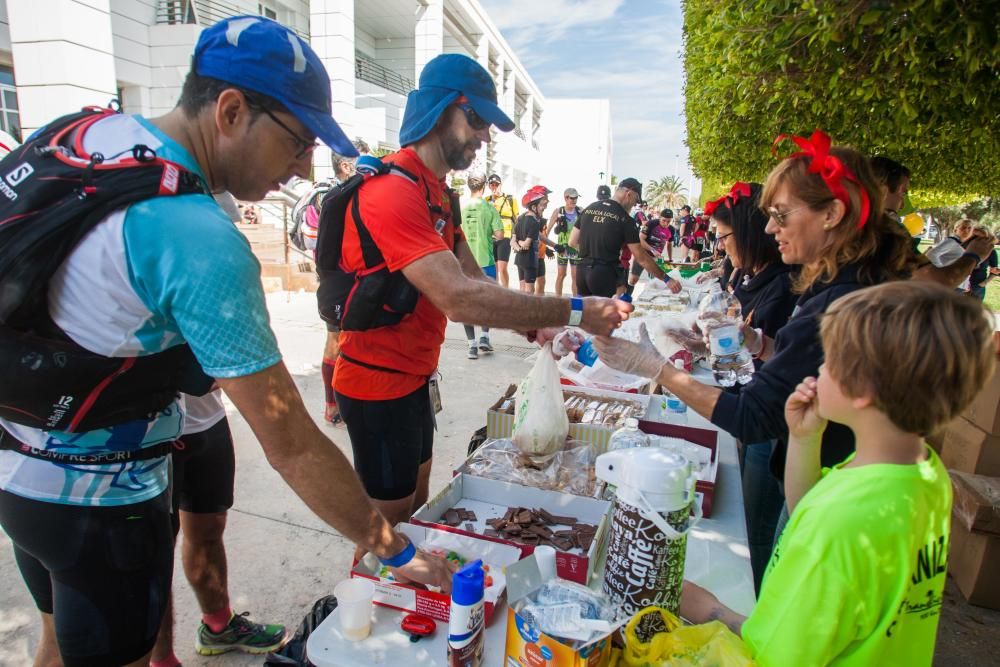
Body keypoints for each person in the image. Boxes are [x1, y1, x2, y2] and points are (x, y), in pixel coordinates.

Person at [0, 17, 459, 667]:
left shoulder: (89, 131)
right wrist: (398, 549)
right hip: (99, 505)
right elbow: (293, 444)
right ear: (232, 110)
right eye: (298, 142)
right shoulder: (199, 238)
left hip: (19, 470)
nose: (304, 169)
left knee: (54, 648)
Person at [331, 53, 631, 547]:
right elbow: (459, 299)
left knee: (420, 506)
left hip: (414, 379)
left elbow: (475, 277)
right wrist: (575, 310)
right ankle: (370, 604)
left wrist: (535, 328)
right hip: (376, 386)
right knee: (385, 531)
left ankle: (411, 601)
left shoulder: (438, 195)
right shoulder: (391, 191)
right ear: (439, 109)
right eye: (476, 119)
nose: (485, 136)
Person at [592, 131, 915, 546]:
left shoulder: (840, 302)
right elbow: (803, 365)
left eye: (781, 215)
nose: (769, 228)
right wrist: (757, 342)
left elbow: (753, 416)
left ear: (832, 214)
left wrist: (653, 366)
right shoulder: (846, 284)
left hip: (831, 493)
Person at [680, 281, 996, 666]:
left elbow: (774, 656)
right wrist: (804, 438)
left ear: (860, 387)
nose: (818, 370)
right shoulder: (919, 473)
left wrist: (711, 610)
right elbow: (808, 508)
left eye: (827, 361)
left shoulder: (843, 526)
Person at [703, 182, 797, 593]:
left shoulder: (787, 286)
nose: (721, 247)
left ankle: (752, 601)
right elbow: (753, 344)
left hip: (769, 428)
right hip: (753, 412)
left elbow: (767, 368)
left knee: (755, 529)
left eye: (723, 237)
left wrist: (662, 371)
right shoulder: (754, 275)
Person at [150, 393, 285, 667]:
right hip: (145, 436)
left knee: (209, 527)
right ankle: (161, 660)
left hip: (206, 419)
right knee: (151, 557)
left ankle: (218, 626)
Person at [569, 179, 680, 298]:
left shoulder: (589, 208)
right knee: (603, 315)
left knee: (582, 313)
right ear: (629, 194)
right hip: (604, 273)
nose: (634, 205)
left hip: (582, 272)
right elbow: (641, 258)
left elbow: (572, 242)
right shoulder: (625, 219)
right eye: (635, 200)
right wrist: (667, 279)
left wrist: (591, 250)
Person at [317, 147, 363, 424]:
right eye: (359, 163)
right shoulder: (339, 198)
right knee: (339, 343)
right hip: (341, 282)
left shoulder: (337, 196)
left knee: (343, 342)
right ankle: (334, 405)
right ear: (345, 166)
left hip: (340, 281)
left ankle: (339, 404)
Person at [460, 174, 504, 358]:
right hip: (485, 261)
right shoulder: (489, 207)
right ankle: (484, 336)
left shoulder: (461, 207)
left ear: (469, 186)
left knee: (465, 303)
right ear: (484, 186)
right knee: (489, 300)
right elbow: (500, 235)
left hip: (465, 263)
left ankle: (472, 346)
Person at [513, 185, 551, 293]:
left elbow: (539, 236)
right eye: (545, 198)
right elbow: (538, 237)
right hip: (531, 257)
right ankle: (532, 308)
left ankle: (534, 307)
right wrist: (521, 243)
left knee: (536, 286)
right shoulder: (532, 219)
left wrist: (546, 248)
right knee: (529, 290)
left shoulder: (528, 217)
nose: (547, 201)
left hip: (534, 256)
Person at [485, 173, 518, 288]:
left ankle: (506, 289)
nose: (494, 187)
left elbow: (517, 219)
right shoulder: (486, 200)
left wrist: (516, 237)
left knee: (502, 267)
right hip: (491, 236)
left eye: (496, 184)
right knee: (494, 268)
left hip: (505, 235)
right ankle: (497, 291)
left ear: (500, 185)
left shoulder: (509, 199)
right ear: (489, 186)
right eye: (492, 185)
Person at [549, 188, 583, 297]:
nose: (574, 200)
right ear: (565, 198)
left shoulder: (580, 211)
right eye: (572, 198)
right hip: (562, 249)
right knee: (561, 275)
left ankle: (575, 301)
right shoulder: (559, 211)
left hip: (576, 249)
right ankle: (558, 300)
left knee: (575, 276)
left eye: (576, 198)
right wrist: (545, 246)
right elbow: (547, 229)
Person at [964, 224, 998, 301]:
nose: (976, 240)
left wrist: (983, 284)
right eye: (974, 236)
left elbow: (994, 271)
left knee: (973, 311)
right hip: (960, 283)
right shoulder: (965, 246)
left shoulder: (991, 251)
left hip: (977, 286)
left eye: (980, 237)